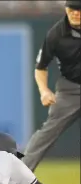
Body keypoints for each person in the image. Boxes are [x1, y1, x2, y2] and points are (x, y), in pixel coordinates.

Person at [22, 0, 80, 172]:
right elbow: (41, 67)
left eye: (80, 9)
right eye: (73, 9)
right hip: (70, 89)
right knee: (47, 132)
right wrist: (44, 90)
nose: (76, 13)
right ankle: (18, 178)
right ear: (66, 10)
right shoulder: (57, 33)